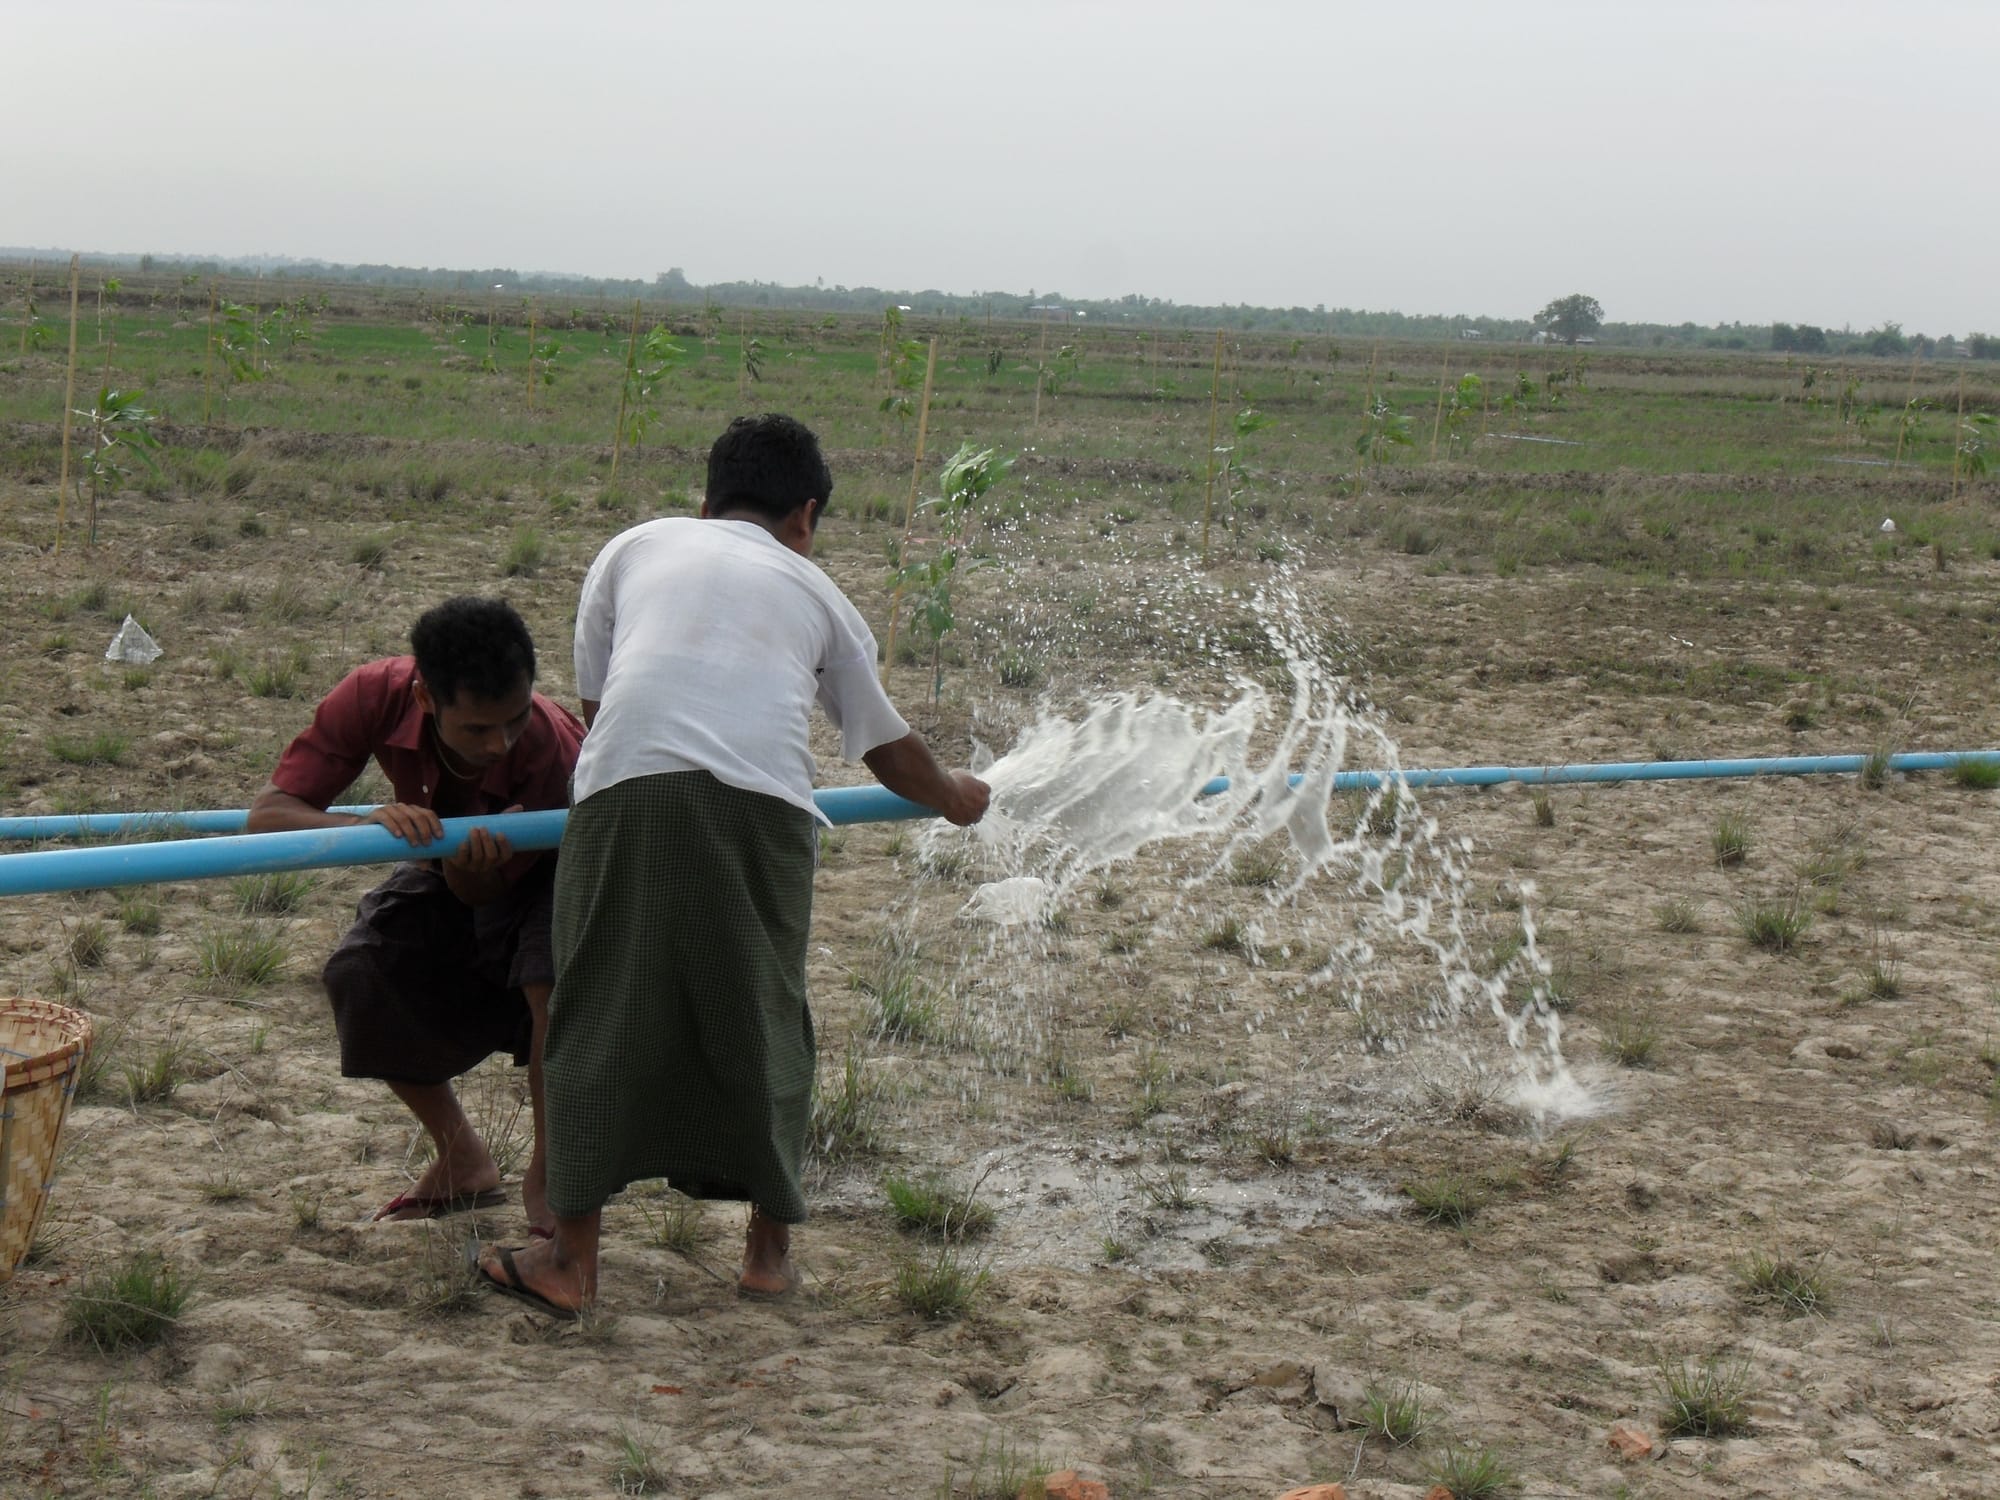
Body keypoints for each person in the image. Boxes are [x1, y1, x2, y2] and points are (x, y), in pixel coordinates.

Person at [477, 413, 988, 1318]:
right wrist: (954, 796)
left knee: (597, 1010)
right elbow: (886, 750)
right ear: (807, 515)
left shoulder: (634, 546)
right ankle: (766, 1254)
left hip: (625, 792)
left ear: (706, 502)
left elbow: (599, 704)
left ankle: (572, 1265)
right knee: (762, 1012)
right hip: (765, 809)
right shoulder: (820, 593)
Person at [249, 596, 584, 1230]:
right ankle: (462, 1157)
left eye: (512, 721)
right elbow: (268, 816)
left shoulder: (548, 749)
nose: (500, 742)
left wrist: (466, 857)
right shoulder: (373, 694)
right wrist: (365, 819)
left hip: (563, 860)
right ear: (426, 697)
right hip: (453, 855)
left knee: (551, 988)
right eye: (478, 729)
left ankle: (553, 1176)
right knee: (361, 971)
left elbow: (482, 896)